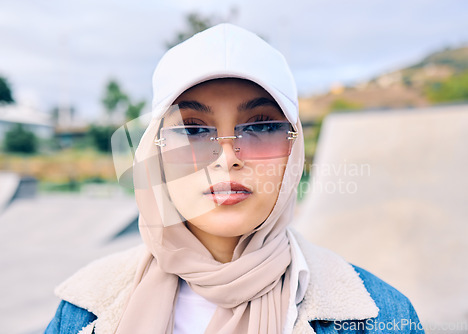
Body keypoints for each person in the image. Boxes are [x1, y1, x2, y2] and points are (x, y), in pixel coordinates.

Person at [45, 23, 424, 334]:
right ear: (156, 152)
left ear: (294, 152)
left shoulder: (380, 318)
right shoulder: (82, 308)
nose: (227, 159)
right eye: (193, 131)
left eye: (260, 126)